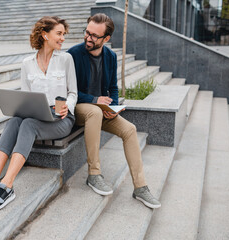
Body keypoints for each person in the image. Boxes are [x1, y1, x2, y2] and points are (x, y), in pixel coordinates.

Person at [0, 16, 77, 212]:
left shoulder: (66, 59)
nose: (63, 38)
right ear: (45, 35)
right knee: (14, 121)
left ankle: (7, 184)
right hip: (37, 114)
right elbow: (26, 96)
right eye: (59, 34)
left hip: (61, 118)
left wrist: (66, 106)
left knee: (28, 125)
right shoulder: (27, 63)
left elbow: (73, 92)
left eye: (64, 34)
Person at [67, 13, 161, 209]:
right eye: (87, 32)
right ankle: (94, 174)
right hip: (80, 107)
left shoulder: (110, 56)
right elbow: (68, 91)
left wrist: (114, 107)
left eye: (94, 35)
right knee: (95, 112)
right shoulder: (73, 54)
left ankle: (140, 187)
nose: (88, 38)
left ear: (106, 39)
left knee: (130, 129)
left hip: (101, 110)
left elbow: (113, 87)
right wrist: (94, 100)